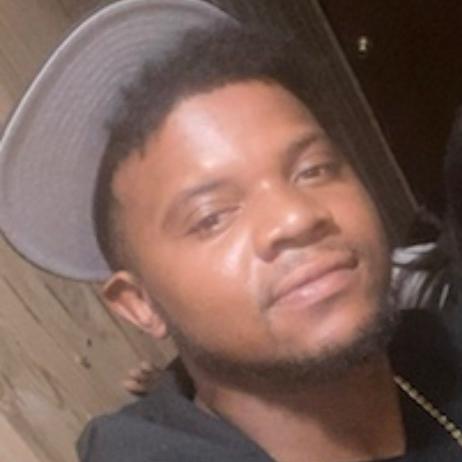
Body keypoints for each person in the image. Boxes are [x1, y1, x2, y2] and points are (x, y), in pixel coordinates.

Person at [1, 1, 461, 461]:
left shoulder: (440, 354)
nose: (295, 217)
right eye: (212, 216)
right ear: (141, 304)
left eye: (314, 170)